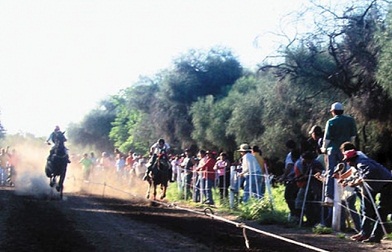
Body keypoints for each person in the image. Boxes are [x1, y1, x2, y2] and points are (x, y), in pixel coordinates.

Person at [339, 149, 392, 243]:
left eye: (347, 160)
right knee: (377, 210)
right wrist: (348, 181)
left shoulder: (361, 163)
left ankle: (376, 236)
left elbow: (370, 171)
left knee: (381, 210)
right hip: (381, 186)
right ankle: (373, 234)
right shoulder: (359, 162)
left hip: (387, 186)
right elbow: (359, 174)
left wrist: (358, 182)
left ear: (351, 159)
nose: (347, 162)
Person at [320, 102, 357, 205]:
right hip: (345, 150)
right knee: (345, 170)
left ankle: (329, 196)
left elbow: (326, 138)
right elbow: (353, 136)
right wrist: (350, 147)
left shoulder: (330, 122)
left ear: (333, 112)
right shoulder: (350, 120)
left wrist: (323, 148)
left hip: (333, 149)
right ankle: (345, 194)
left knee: (331, 171)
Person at [294, 151, 324, 227]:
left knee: (316, 204)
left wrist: (308, 176)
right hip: (309, 186)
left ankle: (316, 221)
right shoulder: (307, 164)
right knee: (307, 204)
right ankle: (308, 220)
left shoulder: (316, 164)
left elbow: (319, 174)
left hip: (316, 186)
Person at [279, 140, 301, 223]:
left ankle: (294, 214)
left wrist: (284, 176)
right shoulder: (300, 152)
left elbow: (289, 166)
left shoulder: (290, 155)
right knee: (296, 197)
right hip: (298, 178)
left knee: (288, 196)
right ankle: (297, 215)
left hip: (292, 179)